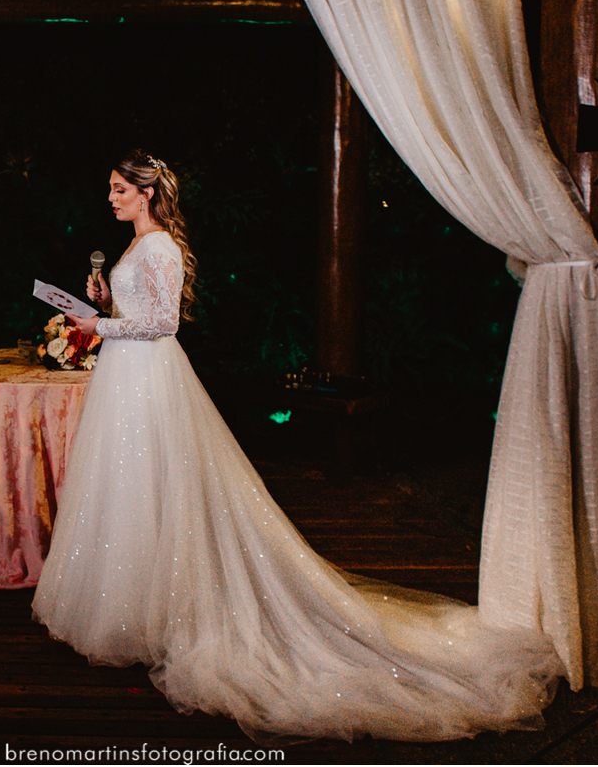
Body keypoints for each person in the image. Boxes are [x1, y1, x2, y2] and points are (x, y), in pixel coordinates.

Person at [31, 151, 563, 743]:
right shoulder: (133, 246)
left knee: (152, 483)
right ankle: (129, 608)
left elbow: (163, 325)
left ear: (147, 193)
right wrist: (102, 300)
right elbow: (136, 311)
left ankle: (156, 610)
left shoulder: (159, 247)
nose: (110, 196)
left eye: (118, 188)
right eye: (110, 188)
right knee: (124, 488)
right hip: (125, 376)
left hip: (148, 376)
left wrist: (97, 326)